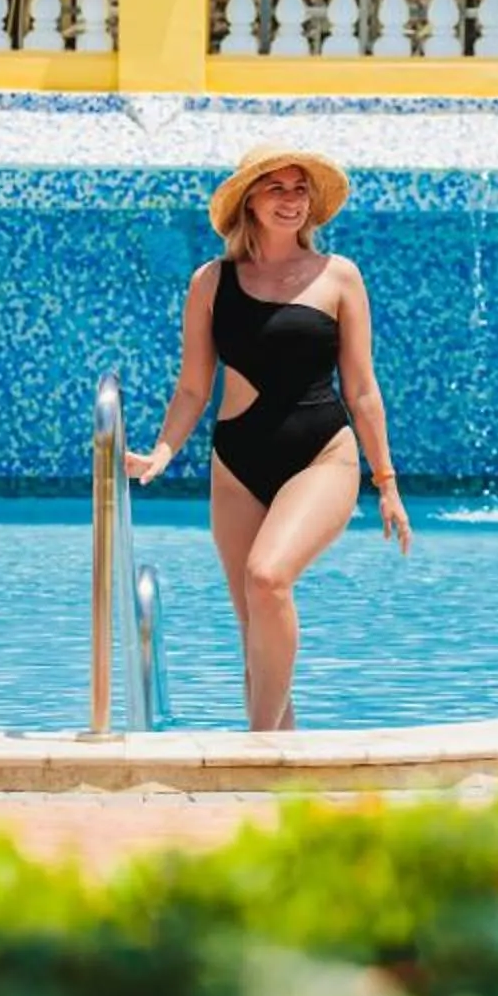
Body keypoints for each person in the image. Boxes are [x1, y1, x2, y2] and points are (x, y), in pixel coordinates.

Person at [128, 146, 410, 729]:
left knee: (268, 577)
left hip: (321, 455)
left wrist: (386, 482)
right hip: (236, 462)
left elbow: (361, 388)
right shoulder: (211, 281)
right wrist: (162, 450)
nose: (290, 200)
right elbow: (192, 387)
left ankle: (255, 749)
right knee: (256, 625)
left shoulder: (339, 276)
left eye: (299, 189)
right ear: (249, 201)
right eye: (276, 188)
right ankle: (283, 763)